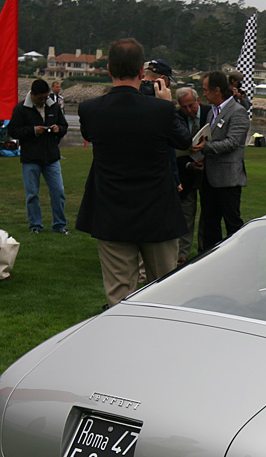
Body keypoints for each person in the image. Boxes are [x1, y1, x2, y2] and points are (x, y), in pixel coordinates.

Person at [76, 37, 190, 308]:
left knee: (118, 295)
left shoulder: (90, 110)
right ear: (142, 72)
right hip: (157, 212)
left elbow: (90, 135)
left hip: (112, 210)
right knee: (164, 292)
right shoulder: (161, 111)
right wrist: (169, 105)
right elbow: (185, 140)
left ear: (108, 69)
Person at [9, 79, 69, 234]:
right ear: (32, 94)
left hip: (52, 157)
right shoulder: (21, 109)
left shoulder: (53, 107)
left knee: (58, 192)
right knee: (32, 195)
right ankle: (35, 226)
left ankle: (59, 225)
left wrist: (58, 129)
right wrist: (33, 131)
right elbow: (13, 131)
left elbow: (64, 126)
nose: (43, 101)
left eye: (45, 97)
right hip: (31, 158)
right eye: (40, 98)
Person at [199, 70, 249, 249]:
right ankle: (210, 257)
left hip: (229, 179)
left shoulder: (238, 112)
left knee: (232, 223)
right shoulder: (211, 112)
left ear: (217, 90)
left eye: (206, 90)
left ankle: (238, 255)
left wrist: (205, 148)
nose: (204, 94)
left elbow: (232, 142)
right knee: (210, 222)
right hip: (210, 177)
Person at [174, 86, 211, 263]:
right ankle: (182, 255)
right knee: (186, 214)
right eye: (184, 107)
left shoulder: (210, 113)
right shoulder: (176, 117)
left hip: (209, 171)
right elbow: (174, 150)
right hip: (186, 171)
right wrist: (189, 164)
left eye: (191, 106)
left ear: (198, 101)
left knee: (207, 214)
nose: (188, 110)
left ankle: (205, 251)